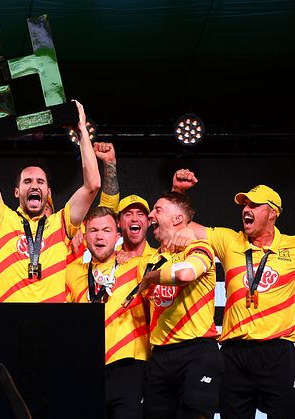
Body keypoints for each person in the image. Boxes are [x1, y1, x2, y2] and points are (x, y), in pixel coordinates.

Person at [173, 172, 295, 419]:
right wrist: (178, 192)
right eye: (244, 205)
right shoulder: (230, 240)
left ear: (272, 213)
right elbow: (180, 226)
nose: (245, 210)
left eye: (254, 205)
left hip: (277, 350)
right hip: (234, 352)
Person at [0, 86, 100, 302]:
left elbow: (92, 185)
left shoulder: (61, 224)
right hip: (9, 320)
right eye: (27, 181)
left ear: (48, 192)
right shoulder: (1, 218)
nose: (34, 186)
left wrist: (81, 132)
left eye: (40, 182)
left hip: (51, 322)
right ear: (16, 191)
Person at [133, 192, 222, 419]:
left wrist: (150, 278)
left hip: (197, 351)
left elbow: (185, 274)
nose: (150, 215)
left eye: (157, 210)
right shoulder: (150, 261)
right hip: (161, 357)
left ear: (176, 219)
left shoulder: (199, 248)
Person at [65, 206, 150, 419]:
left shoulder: (138, 265)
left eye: (106, 230)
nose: (100, 236)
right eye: (93, 231)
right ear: (84, 237)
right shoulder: (71, 271)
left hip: (130, 366)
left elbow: (170, 259)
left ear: (118, 236)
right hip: (86, 368)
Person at [94, 142, 155, 260]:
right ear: (118, 222)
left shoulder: (158, 257)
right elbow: (107, 208)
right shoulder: (108, 258)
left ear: (148, 222)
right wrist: (109, 163)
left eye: (140, 214)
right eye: (128, 214)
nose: (134, 218)